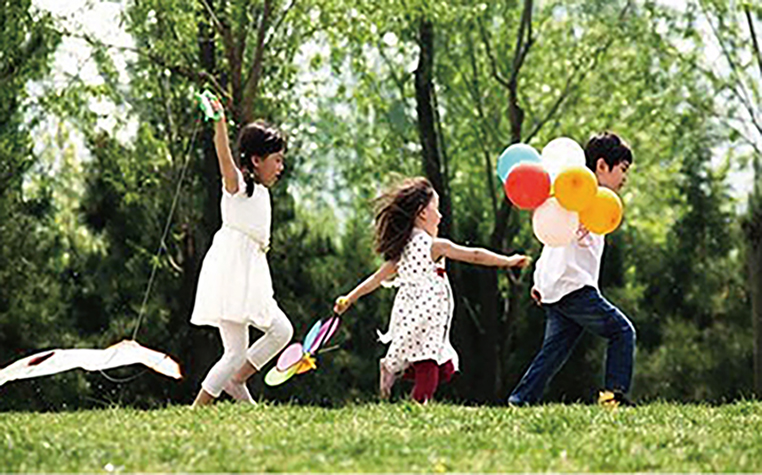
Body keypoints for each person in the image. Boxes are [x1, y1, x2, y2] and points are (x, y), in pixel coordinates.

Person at [334, 177, 530, 403]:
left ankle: (391, 370)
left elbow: (375, 279)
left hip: (413, 314)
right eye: (436, 209)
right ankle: (417, 407)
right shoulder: (433, 246)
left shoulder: (403, 250)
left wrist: (349, 298)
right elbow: (475, 255)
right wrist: (508, 261)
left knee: (438, 368)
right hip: (427, 316)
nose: (441, 216)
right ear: (422, 213)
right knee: (430, 369)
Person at [508, 131, 635, 407]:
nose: (625, 178)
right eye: (622, 170)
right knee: (622, 332)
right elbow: (551, 235)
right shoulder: (575, 198)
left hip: (559, 289)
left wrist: (539, 281)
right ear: (602, 166)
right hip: (574, 287)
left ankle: (520, 399)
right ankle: (613, 398)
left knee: (553, 351)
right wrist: (540, 281)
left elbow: (552, 244)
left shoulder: (591, 202)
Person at [190, 98, 293, 407]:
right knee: (238, 351)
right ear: (257, 160)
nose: (280, 167)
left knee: (278, 331)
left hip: (251, 271)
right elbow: (223, 156)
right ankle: (199, 407)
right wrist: (219, 122)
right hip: (232, 271)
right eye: (276, 160)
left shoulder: (260, 191)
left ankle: (237, 381)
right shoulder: (238, 186)